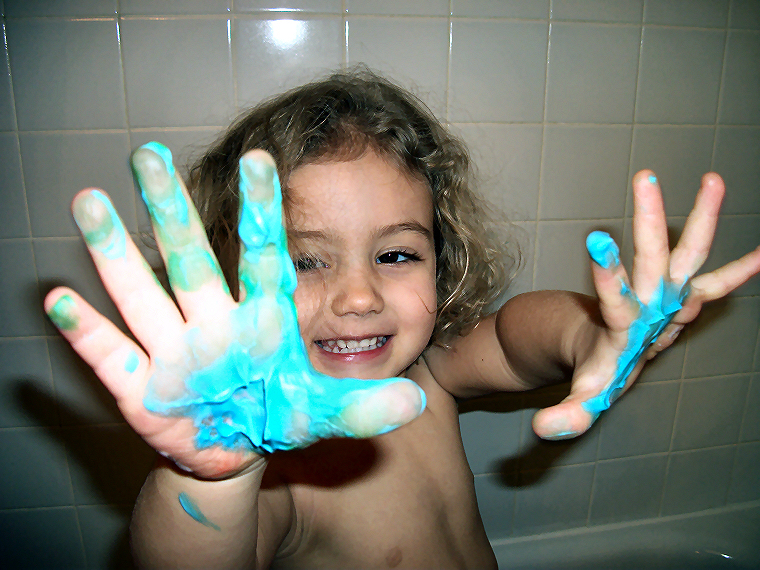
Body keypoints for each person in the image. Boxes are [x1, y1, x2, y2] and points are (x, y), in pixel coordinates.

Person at [44, 68, 760, 569]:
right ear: (237, 285)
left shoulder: (430, 375)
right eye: (304, 262)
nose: (359, 297)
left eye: (394, 254)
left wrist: (589, 335)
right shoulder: (285, 476)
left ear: (442, 261)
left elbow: (515, 339)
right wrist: (211, 480)